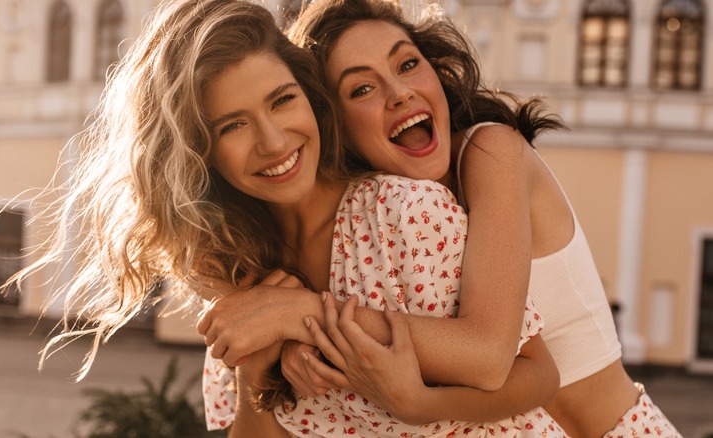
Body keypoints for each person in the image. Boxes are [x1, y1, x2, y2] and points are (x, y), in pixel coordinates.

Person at [7, 0, 561, 436]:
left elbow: (515, 366)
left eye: (281, 100)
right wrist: (257, 370)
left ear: (312, 97)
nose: (273, 142)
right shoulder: (243, 271)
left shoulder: (402, 215)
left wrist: (302, 315)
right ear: (199, 155)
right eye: (232, 126)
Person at [274, 0, 679, 436]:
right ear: (333, 124)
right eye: (362, 89)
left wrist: (302, 315)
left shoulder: (491, 151)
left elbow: (487, 354)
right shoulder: (373, 220)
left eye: (408, 64)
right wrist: (304, 344)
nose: (400, 92)